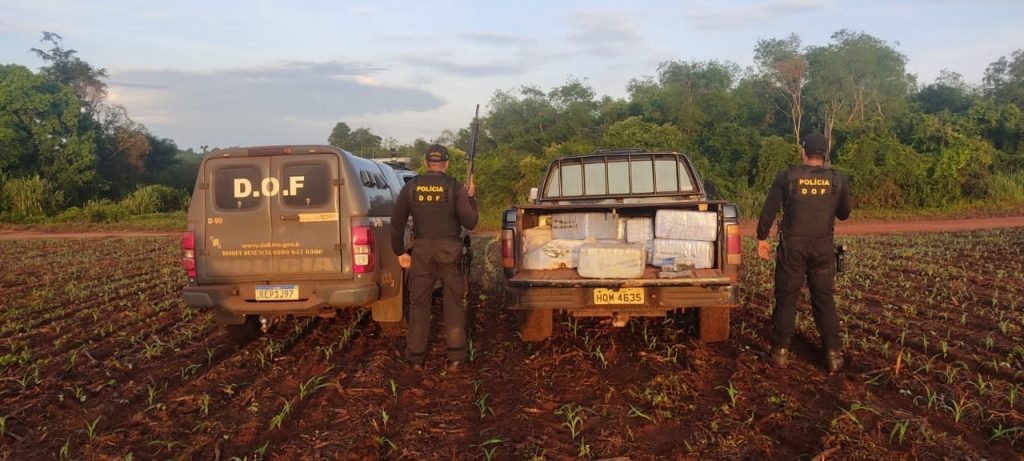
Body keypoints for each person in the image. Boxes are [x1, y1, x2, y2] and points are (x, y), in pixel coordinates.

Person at [756, 133, 852, 373]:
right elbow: (844, 213)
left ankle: (779, 353)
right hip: (823, 248)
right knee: (824, 300)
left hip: (793, 248)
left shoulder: (788, 177)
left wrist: (761, 238)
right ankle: (833, 356)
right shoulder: (837, 180)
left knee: (787, 298)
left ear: (804, 152)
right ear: (825, 154)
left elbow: (769, 209)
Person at [390, 144, 478, 372]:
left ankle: (416, 359)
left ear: (426, 162)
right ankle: (456, 358)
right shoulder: (455, 187)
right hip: (450, 252)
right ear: (446, 164)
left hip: (422, 252)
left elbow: (397, 222)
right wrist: (472, 197)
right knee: (453, 304)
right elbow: (470, 222)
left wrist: (399, 252)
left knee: (419, 305)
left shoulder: (411, 187)